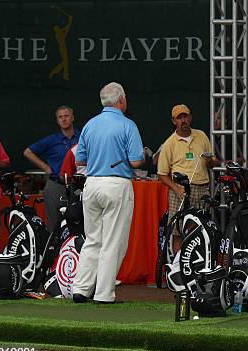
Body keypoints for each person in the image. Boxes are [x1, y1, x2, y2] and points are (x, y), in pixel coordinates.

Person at [72, 82, 145, 304]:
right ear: (121, 100)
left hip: (91, 183)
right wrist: (141, 156)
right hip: (116, 184)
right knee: (113, 241)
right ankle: (103, 294)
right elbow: (136, 161)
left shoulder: (89, 125)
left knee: (93, 239)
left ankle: (81, 288)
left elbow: (80, 160)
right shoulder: (128, 125)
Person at [157, 104, 217, 253]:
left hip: (201, 188)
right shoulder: (169, 143)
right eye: (179, 117)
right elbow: (161, 174)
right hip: (180, 190)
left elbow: (212, 162)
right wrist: (176, 188)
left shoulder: (201, 136)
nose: (183, 120)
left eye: (185, 116)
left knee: (200, 229)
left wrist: (210, 161)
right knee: (178, 231)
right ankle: (179, 267)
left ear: (190, 118)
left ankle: (198, 264)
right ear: (174, 121)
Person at [24, 105, 79, 231]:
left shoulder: (82, 137)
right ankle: (52, 249)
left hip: (77, 185)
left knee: (78, 221)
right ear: (57, 121)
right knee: (53, 224)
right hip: (56, 184)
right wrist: (46, 168)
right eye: (60, 117)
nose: (63, 119)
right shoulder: (51, 140)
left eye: (66, 116)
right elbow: (27, 152)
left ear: (72, 118)